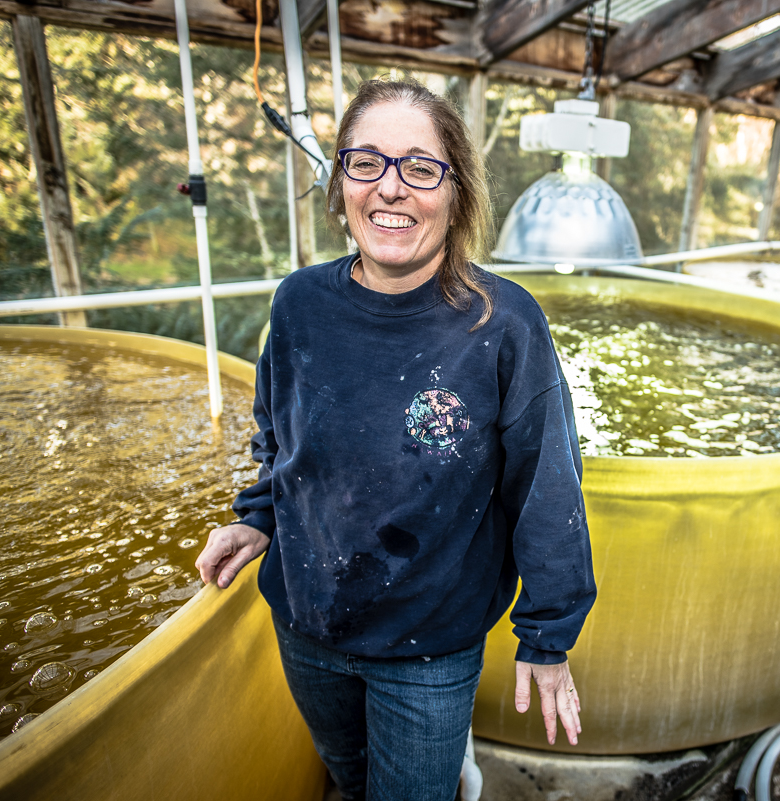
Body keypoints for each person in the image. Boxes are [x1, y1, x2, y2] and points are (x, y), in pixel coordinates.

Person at [195, 78, 597, 801]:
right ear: (341, 181)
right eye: (366, 162)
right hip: (308, 622)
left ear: (455, 190)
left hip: (430, 647)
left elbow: (547, 483)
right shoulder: (299, 304)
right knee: (349, 779)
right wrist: (257, 516)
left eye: (419, 167)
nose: (391, 189)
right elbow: (277, 429)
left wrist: (549, 633)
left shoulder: (503, 324)